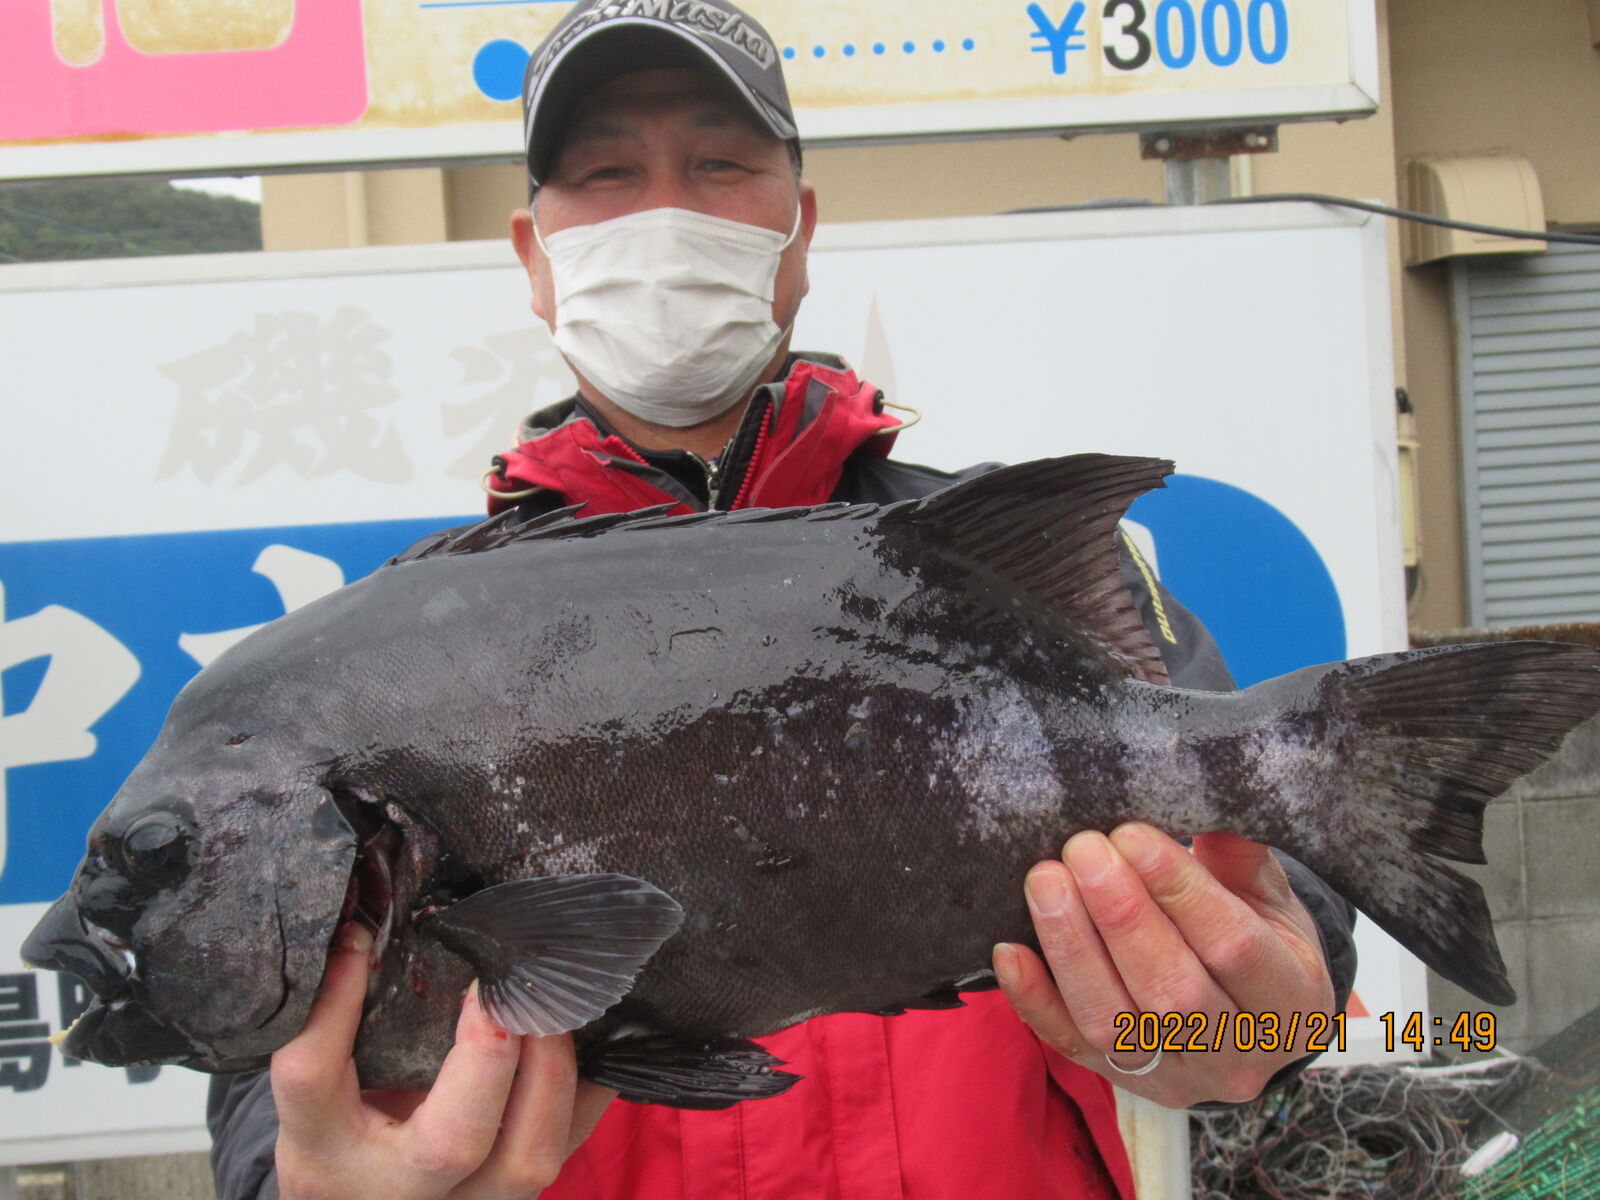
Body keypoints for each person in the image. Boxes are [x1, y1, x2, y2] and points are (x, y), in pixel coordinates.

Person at [208, 1, 1356, 1195]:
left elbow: (1274, 908)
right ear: (534, 256)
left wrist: (1257, 1020)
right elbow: (269, 1055)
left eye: (720, 164)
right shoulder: (390, 660)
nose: (665, 213)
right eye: (606, 174)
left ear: (799, 230)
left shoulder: (988, 563)